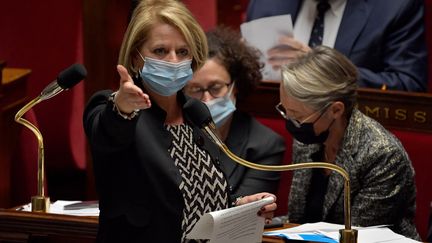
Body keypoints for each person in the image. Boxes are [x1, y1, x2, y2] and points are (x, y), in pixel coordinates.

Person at [83, 1, 277, 242]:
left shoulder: (196, 114)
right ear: (135, 58)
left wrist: (241, 207)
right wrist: (122, 107)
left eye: (183, 52)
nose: (173, 61)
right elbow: (108, 132)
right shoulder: (113, 108)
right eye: (160, 51)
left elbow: (194, 200)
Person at [276, 45, 420, 239]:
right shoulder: (308, 139)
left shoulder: (382, 155)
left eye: (297, 116)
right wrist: (261, 220)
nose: (291, 123)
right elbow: (300, 221)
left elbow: (358, 235)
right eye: (285, 111)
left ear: (336, 110)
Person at [183, 26, 286, 200]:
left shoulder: (264, 144)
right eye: (195, 89)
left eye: (216, 87)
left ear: (235, 86)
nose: (206, 99)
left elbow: (249, 212)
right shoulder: (170, 130)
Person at [245, 0, 428, 92]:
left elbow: (408, 83)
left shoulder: (395, 7)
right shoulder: (266, 2)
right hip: (271, 133)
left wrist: (324, 69)